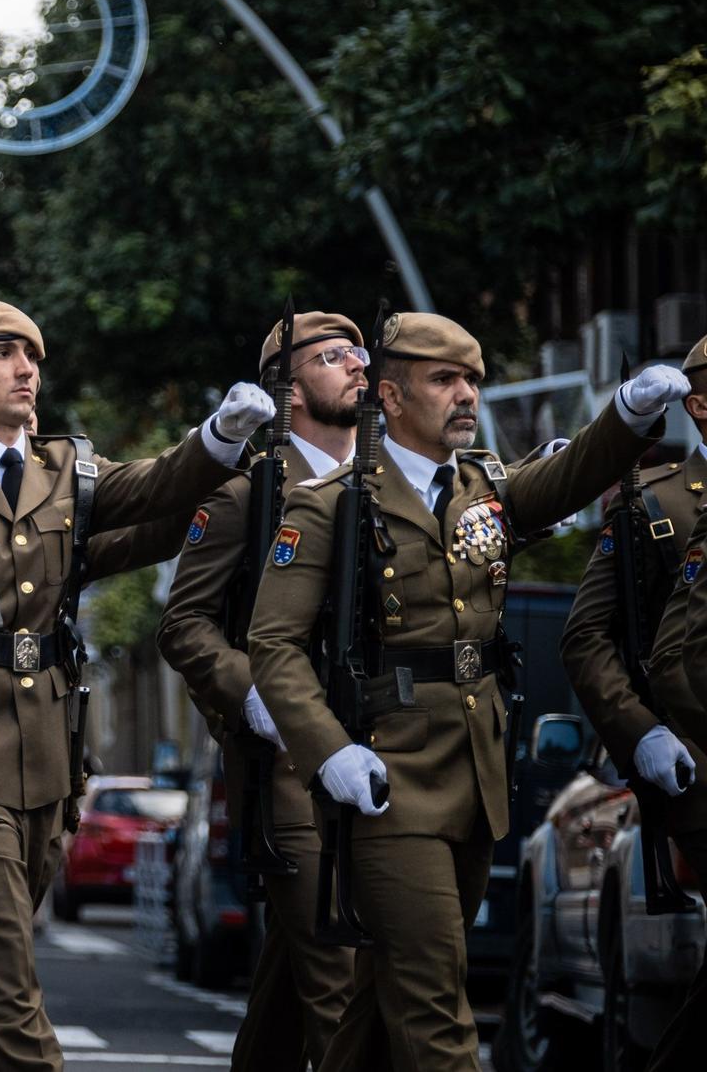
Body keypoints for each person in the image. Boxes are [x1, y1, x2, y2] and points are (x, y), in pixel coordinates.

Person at [0, 297, 267, 1072]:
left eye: (32, 356)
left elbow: (158, 486)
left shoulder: (67, 471)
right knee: (6, 989)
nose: (27, 368)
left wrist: (219, 438)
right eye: (3, 353)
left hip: (49, 760)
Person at [249, 313, 687, 1071]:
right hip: (388, 783)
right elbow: (273, 644)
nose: (466, 396)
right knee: (435, 1005)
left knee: (378, 1012)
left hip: (475, 777)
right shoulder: (331, 503)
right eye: (444, 380)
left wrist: (627, 415)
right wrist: (328, 752)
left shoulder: (485, 487)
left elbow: (569, 477)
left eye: (473, 380)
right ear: (388, 394)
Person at [156, 310, 372, 1069]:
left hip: (377, 757)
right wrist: (256, 694)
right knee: (342, 983)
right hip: (287, 771)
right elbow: (184, 626)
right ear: (289, 388)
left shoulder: (386, 485)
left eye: (359, 351)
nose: (357, 364)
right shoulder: (249, 496)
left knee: (302, 982)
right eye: (333, 355)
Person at [637, 334, 707, 1072]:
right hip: (695, 762)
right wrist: (646, 734)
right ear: (699, 405)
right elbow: (593, 642)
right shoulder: (657, 505)